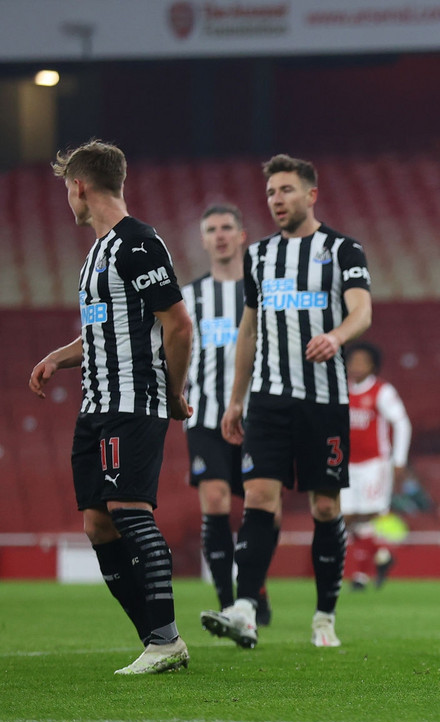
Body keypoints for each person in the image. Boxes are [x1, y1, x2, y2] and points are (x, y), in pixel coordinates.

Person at [30, 139, 194, 674]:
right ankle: (156, 640)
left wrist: (171, 390)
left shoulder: (137, 243)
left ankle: (165, 639)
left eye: (66, 189)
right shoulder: (95, 256)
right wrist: (59, 356)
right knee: (98, 526)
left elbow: (177, 322)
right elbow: (103, 332)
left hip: (133, 399)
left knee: (129, 512)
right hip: (95, 403)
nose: (67, 200)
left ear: (79, 185)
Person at [201, 153, 372, 649]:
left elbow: (362, 310)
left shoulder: (344, 250)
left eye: (287, 190)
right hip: (268, 400)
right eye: (271, 192)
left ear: (311, 194)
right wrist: (236, 401)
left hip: (324, 400)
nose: (277, 200)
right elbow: (248, 330)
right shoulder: (257, 256)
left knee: (324, 507)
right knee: (258, 498)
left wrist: (337, 337)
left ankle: (324, 616)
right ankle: (244, 609)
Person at [183, 204, 274, 626]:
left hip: (258, 416)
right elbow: (174, 350)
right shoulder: (188, 297)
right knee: (216, 499)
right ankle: (226, 599)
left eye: (226, 228)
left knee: (265, 510)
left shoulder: (263, 292)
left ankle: (253, 588)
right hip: (204, 416)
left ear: (241, 235)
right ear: (203, 240)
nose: (219, 235)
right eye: (211, 229)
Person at [340, 342, 411, 590]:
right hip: (347, 465)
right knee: (349, 518)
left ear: (373, 366)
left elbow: (402, 423)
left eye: (362, 362)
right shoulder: (342, 390)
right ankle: (382, 556)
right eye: (353, 361)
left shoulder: (382, 391)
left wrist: (399, 461)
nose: (356, 366)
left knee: (370, 513)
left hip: (374, 464)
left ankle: (360, 576)